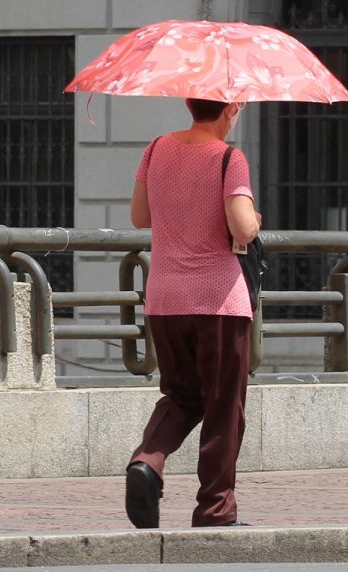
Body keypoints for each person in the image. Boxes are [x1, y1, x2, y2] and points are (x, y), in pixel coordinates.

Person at [125, 98, 262, 528]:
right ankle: (215, 509)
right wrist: (254, 219)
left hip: (164, 297)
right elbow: (241, 228)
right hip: (218, 300)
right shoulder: (229, 158)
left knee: (182, 395)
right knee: (223, 405)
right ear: (230, 108)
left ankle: (147, 461)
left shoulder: (155, 148)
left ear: (189, 103)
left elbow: (139, 216)